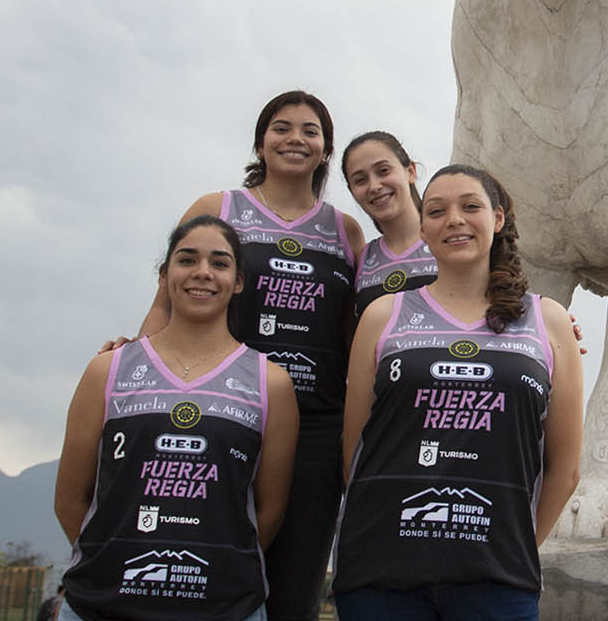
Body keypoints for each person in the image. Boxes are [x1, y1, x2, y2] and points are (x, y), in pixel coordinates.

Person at [140, 90, 364, 621]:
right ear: (260, 141)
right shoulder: (216, 209)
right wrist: (135, 364)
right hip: (225, 415)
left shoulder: (345, 231)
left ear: (326, 149)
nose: (295, 139)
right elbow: (162, 304)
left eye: (310, 131)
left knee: (295, 579)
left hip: (315, 427)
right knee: (204, 560)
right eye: (281, 127)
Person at [333, 164, 584, 621]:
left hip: (498, 580)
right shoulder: (383, 316)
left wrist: (513, 546)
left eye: (471, 206)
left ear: (499, 218)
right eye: (436, 211)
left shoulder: (548, 321)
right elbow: (356, 452)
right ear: (423, 228)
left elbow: (565, 470)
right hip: (379, 576)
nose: (454, 219)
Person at [57, 216, 299, 621]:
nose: (203, 273)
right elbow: (70, 498)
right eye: (188, 260)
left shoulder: (270, 382)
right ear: (165, 274)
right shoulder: (108, 371)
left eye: (220, 263)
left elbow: (268, 510)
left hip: (224, 608)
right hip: (100, 605)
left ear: (238, 281)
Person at [343, 130, 438, 318]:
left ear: (410, 171)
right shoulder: (361, 259)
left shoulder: (448, 240)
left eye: (383, 171)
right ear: (352, 191)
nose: (375, 186)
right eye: (360, 180)